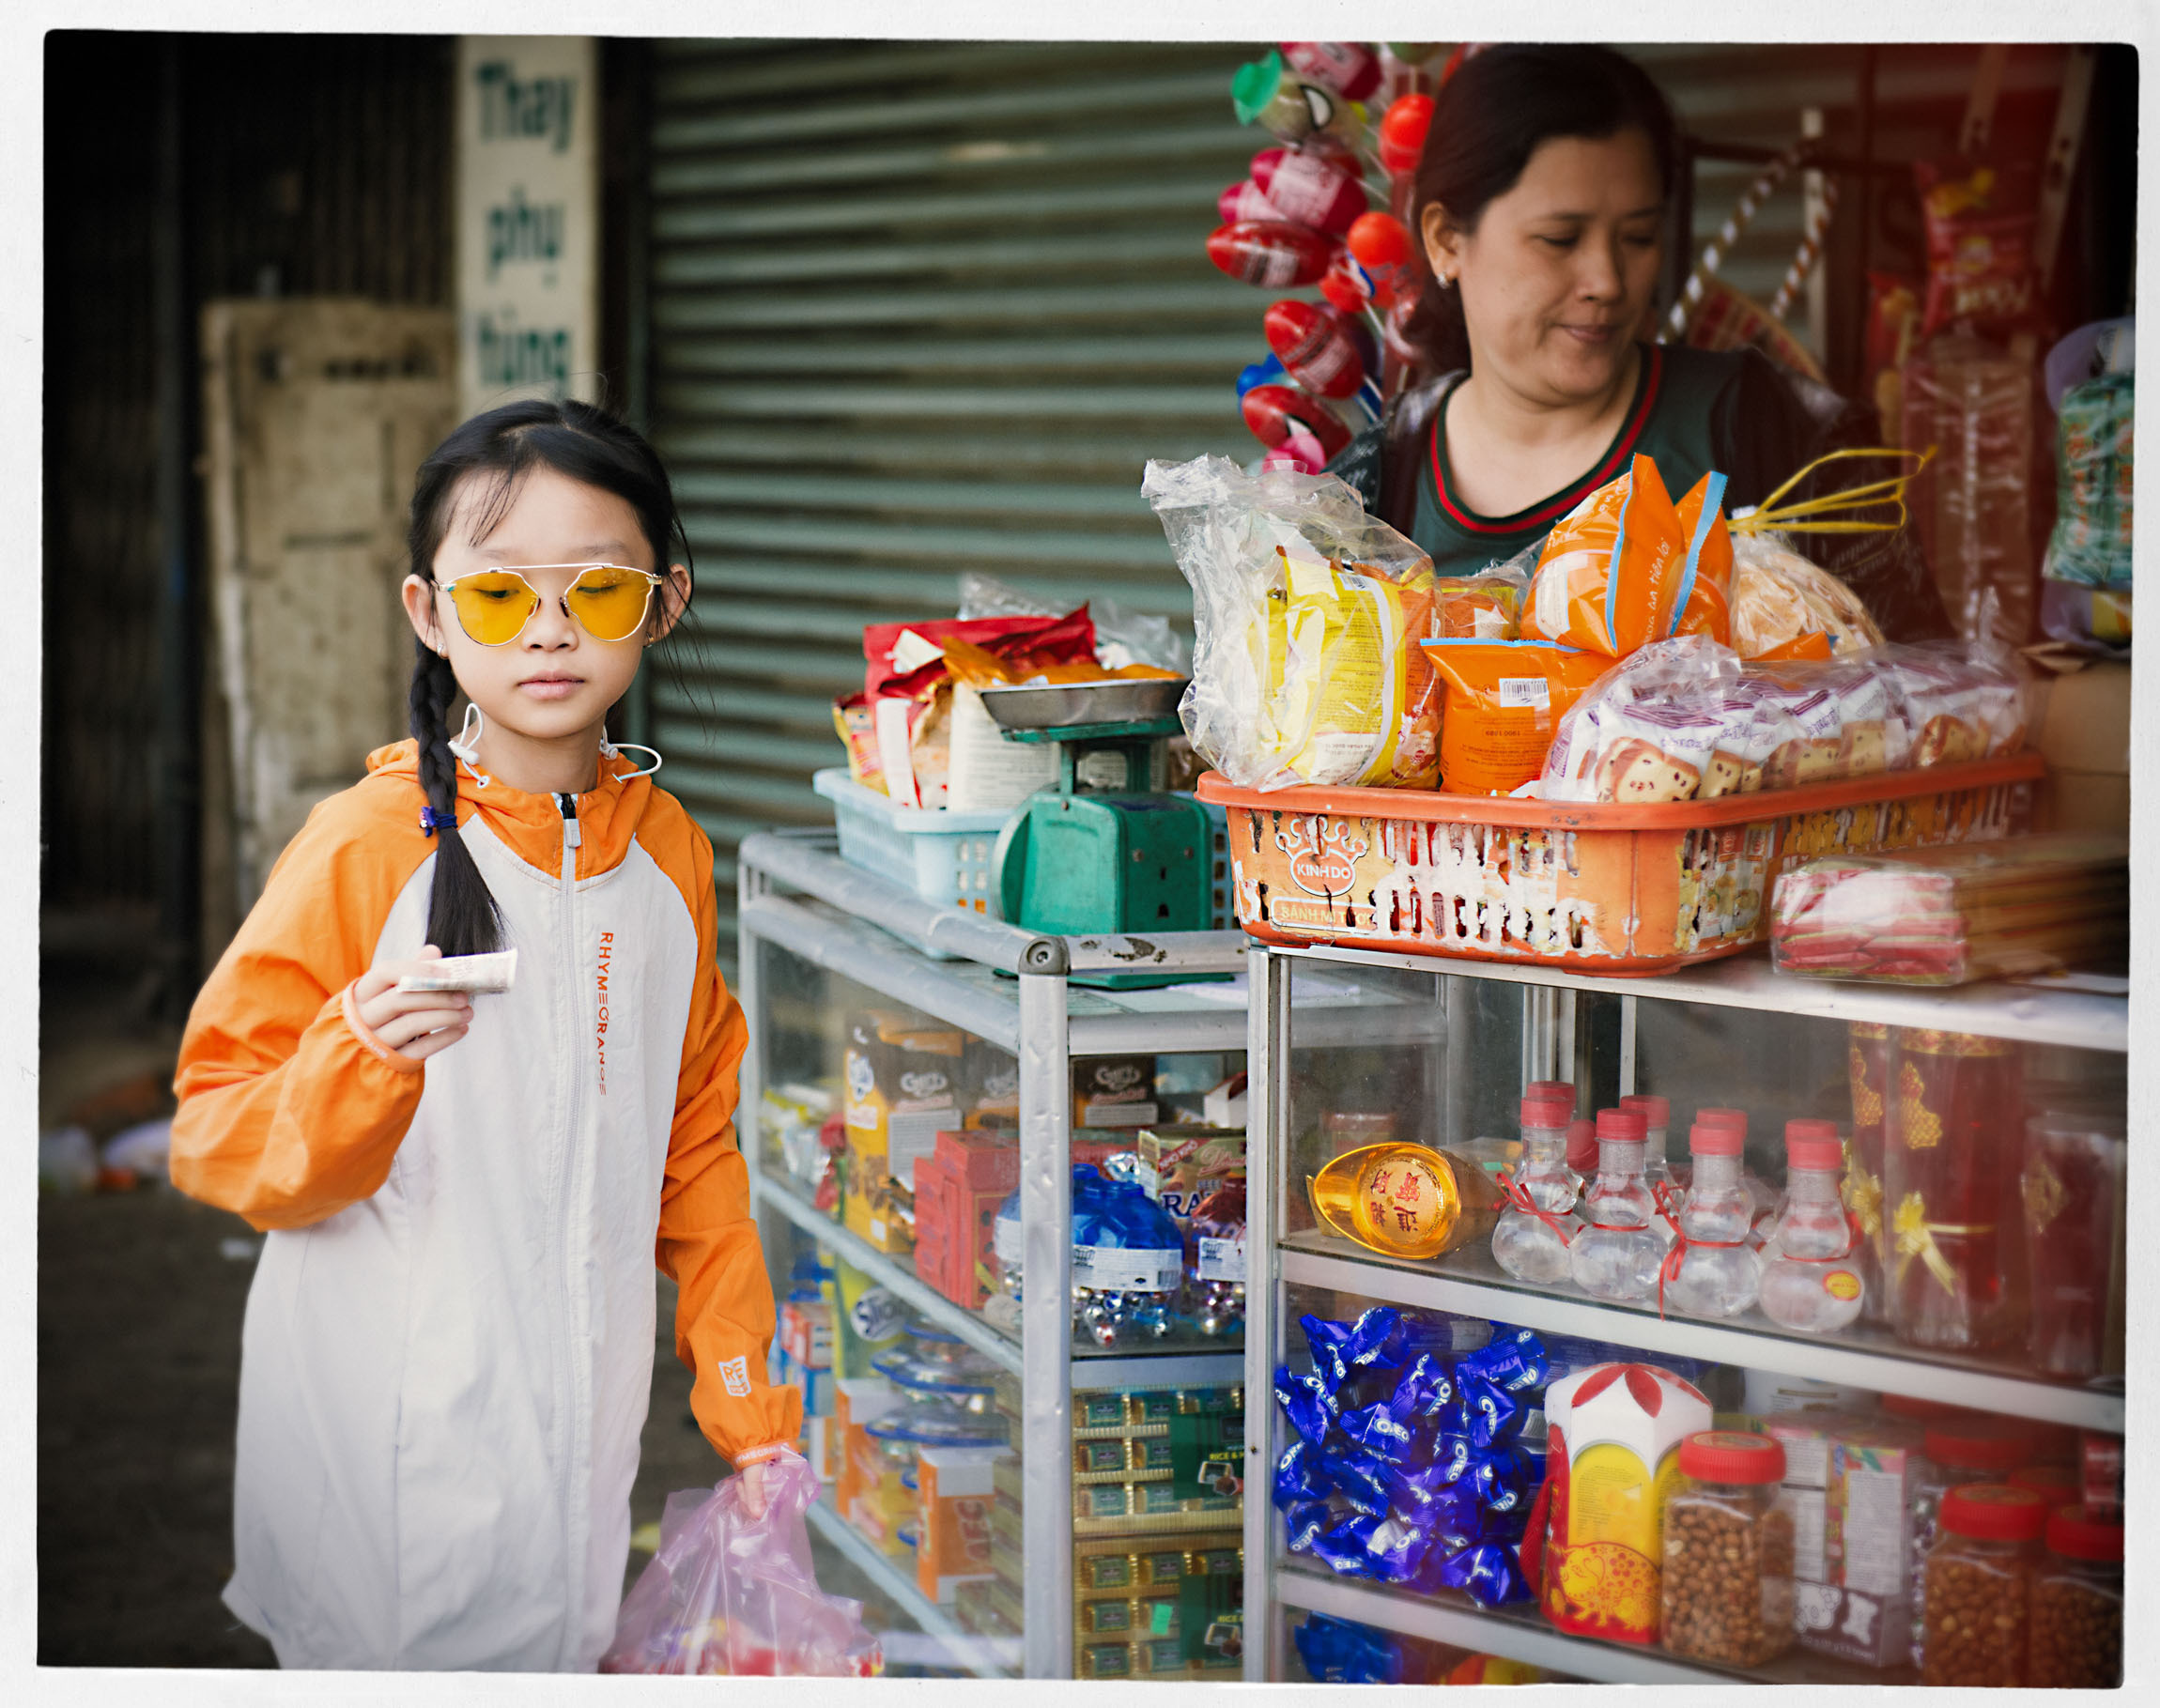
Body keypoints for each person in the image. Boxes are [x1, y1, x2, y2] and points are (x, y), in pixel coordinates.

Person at [168, 398, 801, 1670]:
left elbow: (692, 1145)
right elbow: (213, 1136)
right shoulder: (365, 843)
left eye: (599, 591)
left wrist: (753, 1408)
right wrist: (357, 1055)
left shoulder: (667, 855)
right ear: (429, 609)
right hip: (385, 1464)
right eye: (503, 594)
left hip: (578, 1455)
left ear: (664, 601)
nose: (553, 630)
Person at [1331, 43, 1840, 579]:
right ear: (1446, 241)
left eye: (1639, 237)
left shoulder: (1772, 436)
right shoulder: (1370, 494)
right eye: (1560, 238)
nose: (1608, 281)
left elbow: (1913, 660)